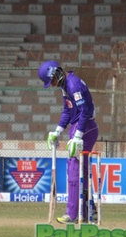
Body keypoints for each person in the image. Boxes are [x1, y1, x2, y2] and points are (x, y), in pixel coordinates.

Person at [38, 60, 99, 224]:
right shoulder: (66, 86)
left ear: (56, 74)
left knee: (74, 169)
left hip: (85, 127)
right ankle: (89, 211)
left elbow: (85, 111)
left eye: (51, 81)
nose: (51, 85)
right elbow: (67, 110)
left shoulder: (73, 85)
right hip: (79, 126)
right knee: (81, 171)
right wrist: (57, 131)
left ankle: (73, 214)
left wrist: (78, 135)